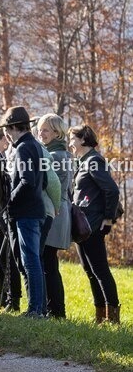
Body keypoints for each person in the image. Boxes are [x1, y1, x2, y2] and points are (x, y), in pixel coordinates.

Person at [68, 124, 121, 325]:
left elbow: (112, 191)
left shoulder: (93, 161)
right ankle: (100, 318)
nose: (70, 143)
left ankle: (113, 319)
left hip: (93, 225)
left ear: (83, 140)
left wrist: (107, 219)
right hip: (83, 225)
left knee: (100, 271)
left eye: (72, 139)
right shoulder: (83, 162)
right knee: (90, 272)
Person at [0, 105, 46, 318]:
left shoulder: (24, 148)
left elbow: (28, 181)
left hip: (25, 212)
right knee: (26, 260)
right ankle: (37, 307)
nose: (6, 134)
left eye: (7, 129)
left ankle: (36, 308)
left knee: (30, 261)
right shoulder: (34, 145)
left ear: (14, 127)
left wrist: (8, 201)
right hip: (30, 210)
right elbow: (42, 182)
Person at [36, 113, 71, 319]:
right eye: (40, 130)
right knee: (50, 263)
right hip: (59, 211)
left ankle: (56, 310)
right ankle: (55, 309)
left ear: (57, 133)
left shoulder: (56, 156)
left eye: (46, 130)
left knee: (48, 262)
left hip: (55, 213)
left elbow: (52, 186)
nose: (41, 134)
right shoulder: (60, 153)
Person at [0, 127, 22, 312]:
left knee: (8, 260)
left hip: (4, 213)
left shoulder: (3, 156)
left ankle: (13, 299)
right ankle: (2, 297)